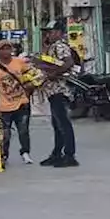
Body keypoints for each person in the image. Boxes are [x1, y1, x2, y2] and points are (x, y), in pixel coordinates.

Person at [35, 20, 79, 167]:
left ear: (59, 32)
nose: (48, 34)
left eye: (51, 31)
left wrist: (54, 73)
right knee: (57, 123)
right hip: (52, 91)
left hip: (59, 90)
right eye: (47, 32)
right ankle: (57, 153)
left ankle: (69, 155)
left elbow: (69, 62)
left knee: (63, 123)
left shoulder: (60, 45)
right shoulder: (52, 47)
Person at [0, 41, 37, 168]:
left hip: (22, 103)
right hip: (4, 107)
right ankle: (4, 155)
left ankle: (25, 152)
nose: (6, 51)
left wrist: (31, 86)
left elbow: (31, 74)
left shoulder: (19, 62)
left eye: (8, 48)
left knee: (23, 130)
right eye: (2, 49)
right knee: (5, 134)